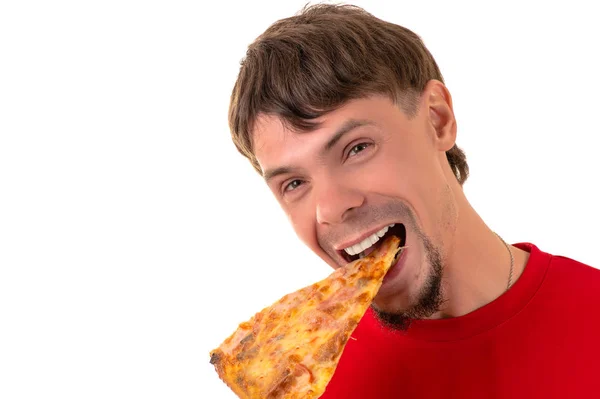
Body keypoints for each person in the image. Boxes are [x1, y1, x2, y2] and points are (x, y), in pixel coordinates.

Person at [226, 3, 600, 398]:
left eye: (357, 148)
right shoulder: (304, 380)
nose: (330, 207)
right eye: (295, 183)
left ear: (437, 119)